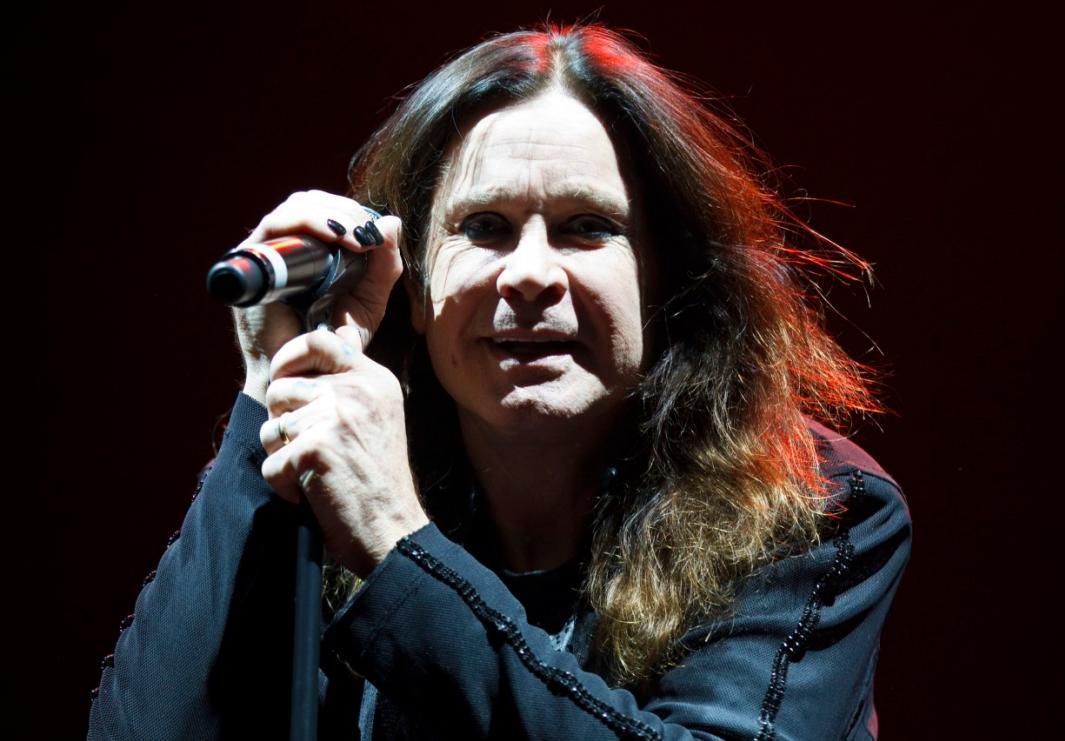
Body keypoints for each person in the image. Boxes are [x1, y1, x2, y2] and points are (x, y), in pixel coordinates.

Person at [88, 23, 910, 740]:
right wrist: (270, 392)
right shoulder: (341, 471)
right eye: (483, 227)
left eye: (586, 227)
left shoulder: (813, 509)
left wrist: (398, 547)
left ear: (665, 280)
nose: (529, 274)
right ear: (413, 287)